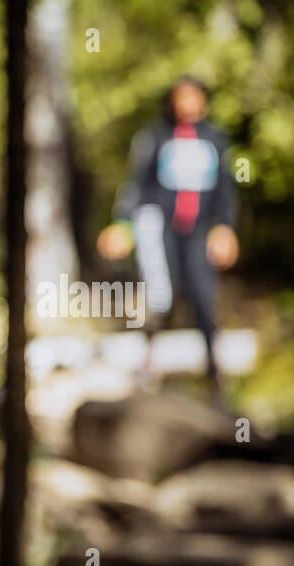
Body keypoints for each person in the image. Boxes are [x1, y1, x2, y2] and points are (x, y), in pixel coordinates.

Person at [97, 75, 239, 398]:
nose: (186, 103)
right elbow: (137, 184)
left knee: (204, 300)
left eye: (192, 96)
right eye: (180, 96)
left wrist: (225, 227)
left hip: (199, 230)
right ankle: (148, 369)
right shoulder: (156, 137)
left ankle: (215, 379)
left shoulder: (216, 140)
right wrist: (123, 224)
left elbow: (226, 191)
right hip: (161, 229)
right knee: (161, 296)